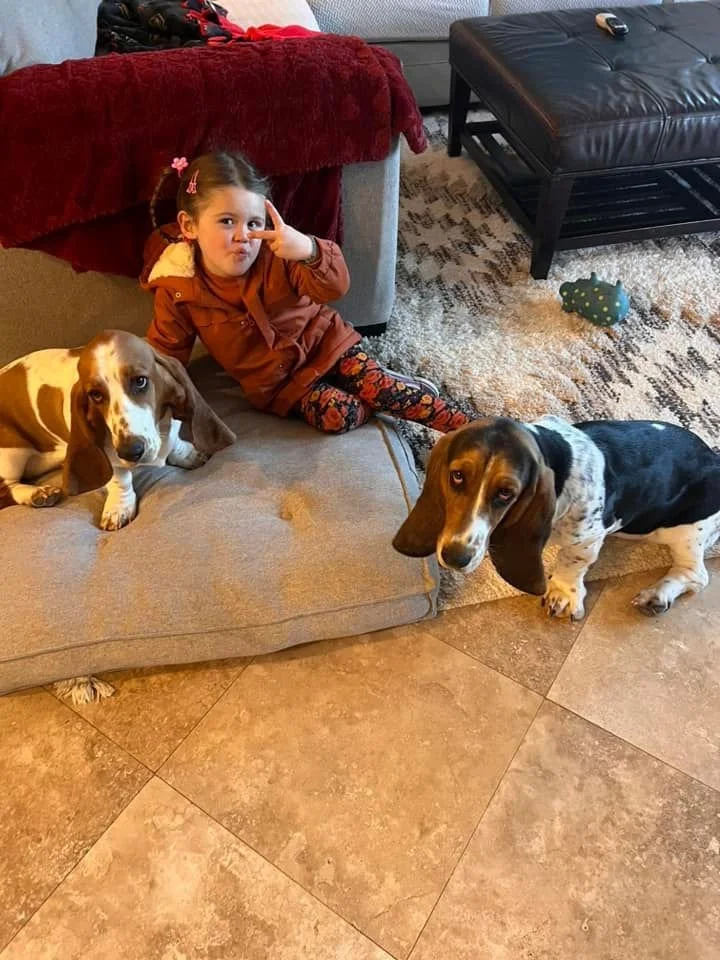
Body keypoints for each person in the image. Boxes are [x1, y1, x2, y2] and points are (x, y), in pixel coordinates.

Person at [142, 151, 470, 434]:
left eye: (254, 223)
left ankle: (470, 428)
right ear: (189, 226)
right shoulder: (178, 287)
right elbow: (166, 353)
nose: (244, 236)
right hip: (283, 387)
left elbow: (334, 286)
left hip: (327, 344)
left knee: (385, 390)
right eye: (227, 222)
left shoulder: (278, 252)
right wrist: (146, 399)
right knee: (337, 416)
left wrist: (308, 250)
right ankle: (383, 400)